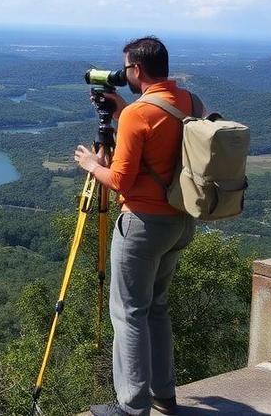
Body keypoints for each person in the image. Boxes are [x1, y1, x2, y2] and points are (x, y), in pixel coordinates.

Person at [72, 36, 200, 416]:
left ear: (137, 69)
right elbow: (163, 143)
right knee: (156, 308)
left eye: (126, 68)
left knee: (128, 313)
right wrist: (123, 111)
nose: (123, 73)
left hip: (143, 225)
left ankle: (131, 406)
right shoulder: (190, 102)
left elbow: (120, 181)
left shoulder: (137, 115)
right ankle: (164, 395)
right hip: (180, 222)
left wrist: (91, 164)